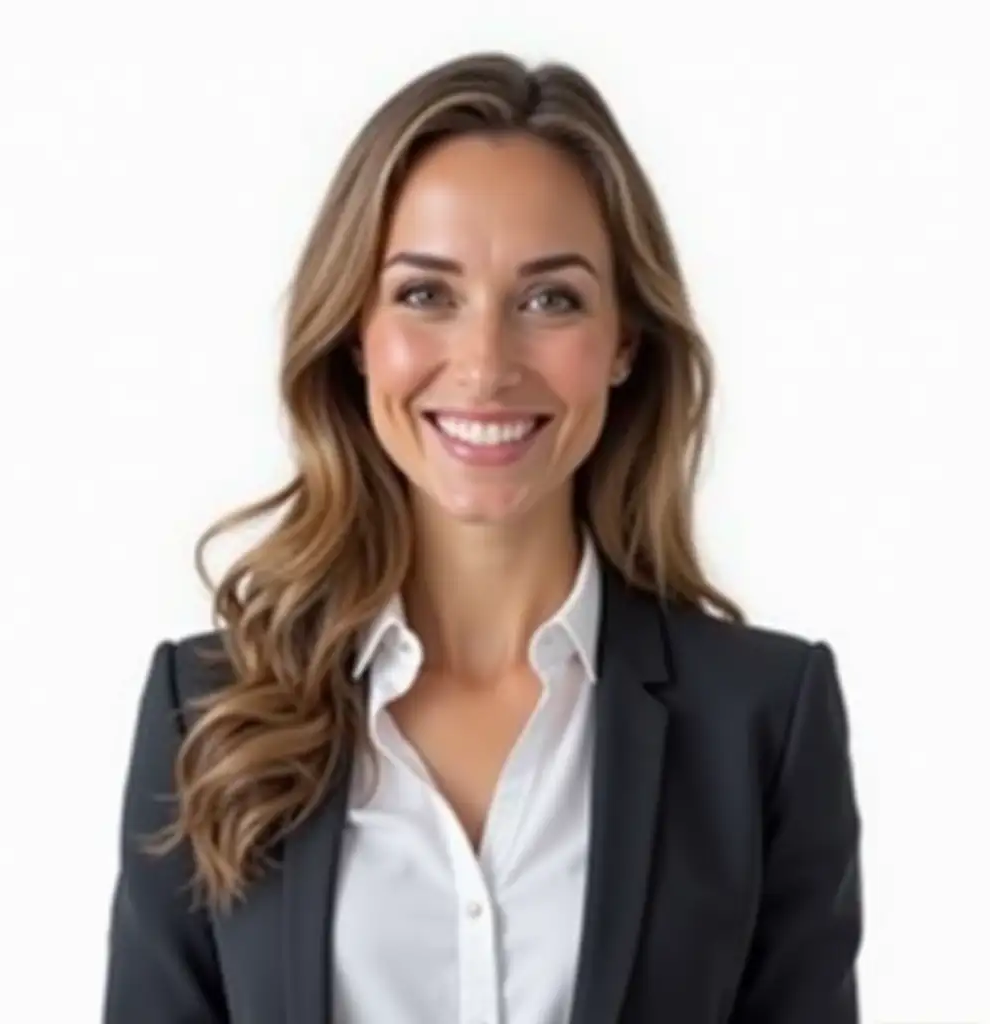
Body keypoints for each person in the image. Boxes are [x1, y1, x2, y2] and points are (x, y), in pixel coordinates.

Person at [102, 51, 863, 1024]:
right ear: (356, 332)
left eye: (551, 299)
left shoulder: (762, 722)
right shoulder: (206, 713)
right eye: (426, 294)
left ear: (624, 339)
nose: (485, 363)